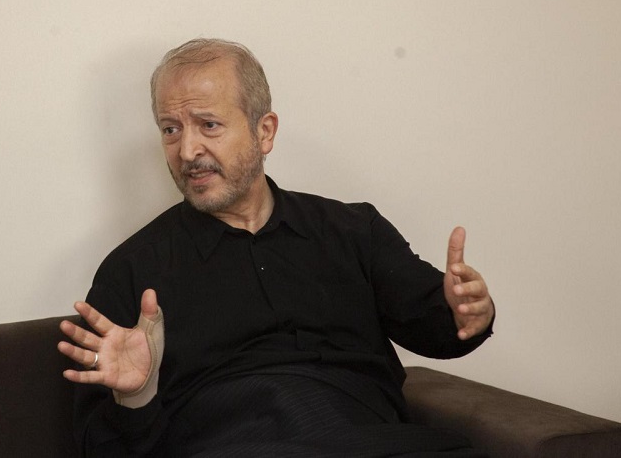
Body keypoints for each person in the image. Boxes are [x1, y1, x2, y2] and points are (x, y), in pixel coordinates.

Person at [57, 38, 495, 457]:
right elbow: (99, 447)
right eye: (171, 129)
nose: (187, 150)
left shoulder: (353, 230)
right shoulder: (131, 270)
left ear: (264, 132)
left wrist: (469, 312)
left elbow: (438, 327)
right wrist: (136, 396)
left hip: (375, 443)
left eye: (209, 125)